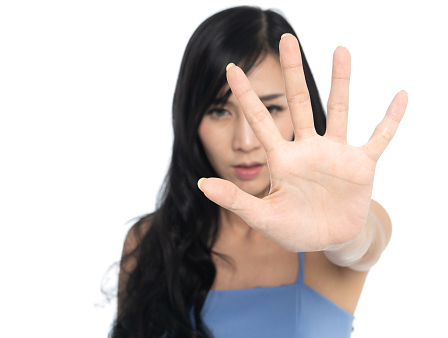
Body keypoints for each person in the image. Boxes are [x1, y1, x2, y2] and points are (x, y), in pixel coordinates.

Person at [109, 6, 407, 338]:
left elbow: (363, 242)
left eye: (272, 108)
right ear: (189, 119)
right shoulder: (150, 241)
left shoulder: (337, 225)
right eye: (220, 110)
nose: (245, 140)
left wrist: (346, 236)